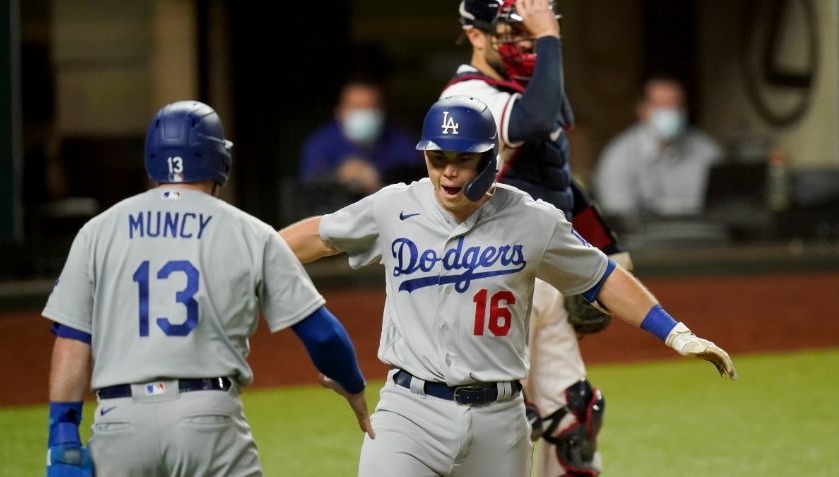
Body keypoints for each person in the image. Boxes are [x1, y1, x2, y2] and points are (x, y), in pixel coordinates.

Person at [280, 96, 737, 477]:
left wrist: (676, 333)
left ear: (489, 160)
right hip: (409, 413)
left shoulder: (531, 220)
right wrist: (249, 256)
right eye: (438, 159)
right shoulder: (394, 207)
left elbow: (602, 277)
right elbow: (318, 237)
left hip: (499, 421)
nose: (449, 173)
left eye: (463, 160)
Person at [43, 100, 373, 477]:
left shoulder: (97, 232)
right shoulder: (250, 232)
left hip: (120, 424)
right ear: (220, 161)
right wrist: (353, 386)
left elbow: (71, 339)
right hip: (208, 422)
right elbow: (323, 335)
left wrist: (63, 434)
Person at [445, 1, 630, 474]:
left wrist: (605, 252)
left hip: (543, 276)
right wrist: (551, 38)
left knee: (576, 419)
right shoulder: (468, 98)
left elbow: (556, 184)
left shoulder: (520, 92)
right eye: (514, 30)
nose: (526, 40)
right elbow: (530, 120)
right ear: (476, 36)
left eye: (532, 31)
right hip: (495, 281)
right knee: (506, 429)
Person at [594, 76, 723, 225]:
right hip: (643, 245)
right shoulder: (619, 156)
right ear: (642, 110)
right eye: (661, 106)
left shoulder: (707, 151)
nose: (669, 112)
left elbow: (723, 208)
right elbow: (619, 216)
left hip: (701, 240)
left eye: (675, 106)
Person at [299, 78, 423, 200]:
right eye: (356, 107)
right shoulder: (320, 143)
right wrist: (337, 177)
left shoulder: (400, 141)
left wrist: (378, 180)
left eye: (370, 107)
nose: (363, 114)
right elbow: (308, 185)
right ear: (339, 111)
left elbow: (416, 182)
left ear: (382, 112)